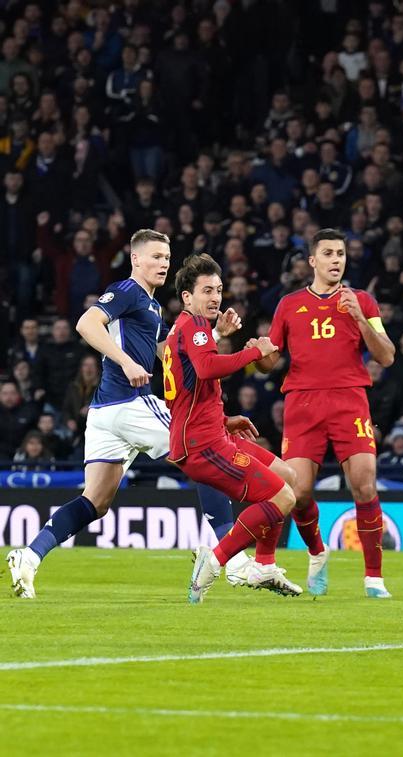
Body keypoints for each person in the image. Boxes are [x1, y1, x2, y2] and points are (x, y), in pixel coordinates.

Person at [6, 230, 247, 600]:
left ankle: (29, 555)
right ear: (136, 259)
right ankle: (233, 560)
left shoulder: (150, 307)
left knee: (96, 501)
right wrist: (126, 360)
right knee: (201, 455)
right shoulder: (128, 291)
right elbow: (86, 324)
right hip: (130, 402)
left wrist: (215, 332)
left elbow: (170, 353)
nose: (163, 263)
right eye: (155, 256)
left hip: (105, 411)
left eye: (167, 257)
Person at [262, 228, 397, 599]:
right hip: (303, 404)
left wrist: (359, 319)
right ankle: (318, 552)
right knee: (299, 492)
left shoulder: (363, 302)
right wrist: (259, 353)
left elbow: (386, 355)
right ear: (312, 261)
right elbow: (270, 361)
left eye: (341, 253)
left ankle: (373, 578)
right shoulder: (289, 305)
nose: (336, 259)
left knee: (365, 482)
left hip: (349, 400)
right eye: (328, 253)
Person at [167, 255, 303, 602]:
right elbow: (207, 368)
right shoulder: (193, 327)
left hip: (212, 432)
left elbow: (185, 391)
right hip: (203, 445)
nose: (215, 297)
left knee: (288, 476)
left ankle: (264, 565)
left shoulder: (189, 329)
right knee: (282, 497)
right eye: (206, 290)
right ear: (187, 297)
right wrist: (254, 352)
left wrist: (224, 418)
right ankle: (214, 562)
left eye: (219, 290)